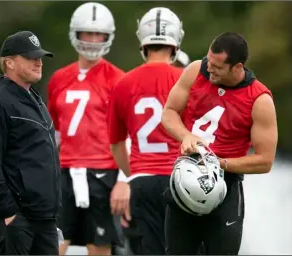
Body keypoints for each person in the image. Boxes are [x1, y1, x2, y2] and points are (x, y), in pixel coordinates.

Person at [161, 32, 278, 255]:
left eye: (217, 66)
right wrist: (185, 135)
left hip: (225, 186)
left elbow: (265, 161)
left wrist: (219, 163)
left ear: (237, 67)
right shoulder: (196, 70)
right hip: (185, 176)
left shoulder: (259, 99)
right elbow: (169, 112)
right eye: (208, 61)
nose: (209, 68)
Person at [47, 2, 128, 255]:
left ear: (108, 36)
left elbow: (130, 136)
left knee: (99, 248)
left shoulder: (118, 79)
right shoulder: (59, 78)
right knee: (52, 245)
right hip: (64, 172)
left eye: (98, 34)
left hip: (104, 174)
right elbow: (55, 133)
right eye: (87, 33)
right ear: (75, 33)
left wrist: (125, 180)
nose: (93, 40)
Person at [0, 31, 61, 255]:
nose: (38, 62)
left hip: (44, 217)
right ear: (9, 62)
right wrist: (9, 212)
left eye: (39, 57)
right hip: (17, 219)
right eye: (31, 57)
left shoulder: (34, 99)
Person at [107, 7, 185, 255]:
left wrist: (134, 175)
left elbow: (116, 145)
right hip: (179, 179)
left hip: (142, 181)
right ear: (175, 42)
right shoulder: (186, 81)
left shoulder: (123, 83)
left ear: (144, 42)